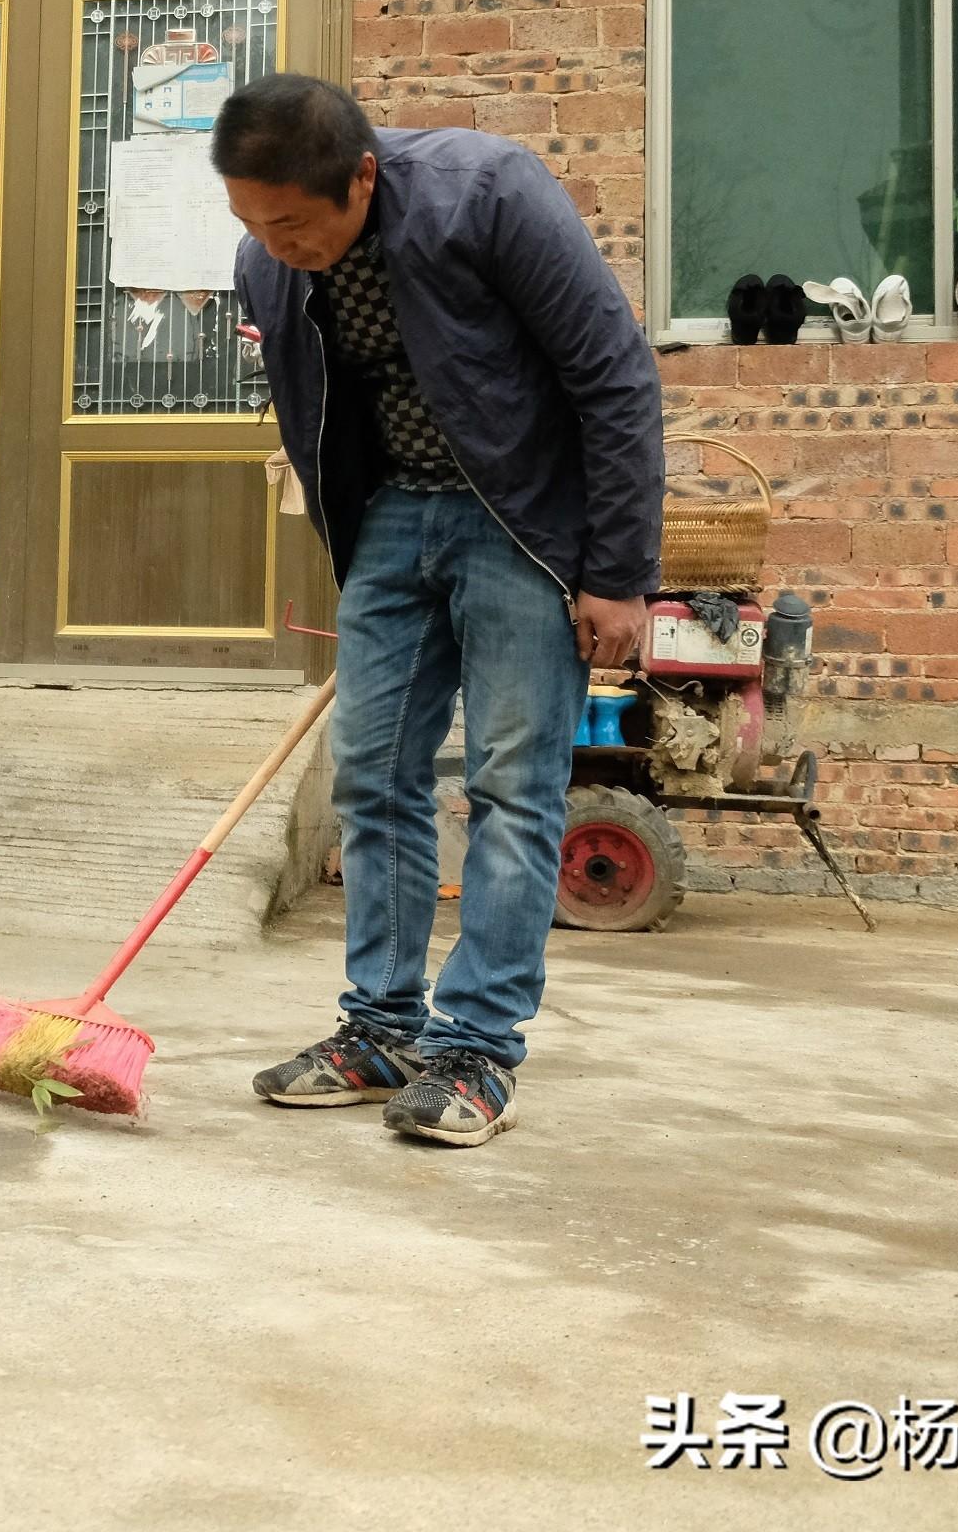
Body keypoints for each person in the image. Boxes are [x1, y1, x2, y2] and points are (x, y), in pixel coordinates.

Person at [224, 76, 660, 1146]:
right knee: (372, 777)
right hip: (391, 527)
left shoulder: (490, 193)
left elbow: (614, 376)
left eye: (288, 221)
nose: (268, 244)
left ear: (361, 175)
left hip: (519, 527)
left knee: (514, 785)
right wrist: (361, 545)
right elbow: (314, 408)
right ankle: (379, 1027)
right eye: (247, 221)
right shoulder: (266, 263)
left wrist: (618, 571)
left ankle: (477, 1048)